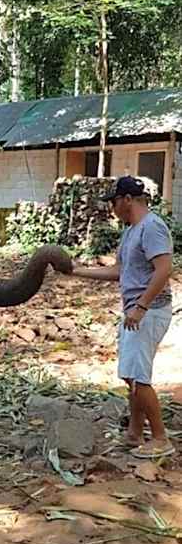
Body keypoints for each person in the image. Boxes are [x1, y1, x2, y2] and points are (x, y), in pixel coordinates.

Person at [72, 175, 174, 460]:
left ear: (127, 199)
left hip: (149, 311)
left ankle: (160, 438)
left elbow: (164, 269)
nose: (112, 208)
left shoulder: (152, 227)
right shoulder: (131, 231)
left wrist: (141, 306)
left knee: (138, 376)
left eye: (114, 202)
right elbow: (118, 271)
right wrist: (76, 271)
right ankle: (134, 433)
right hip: (135, 312)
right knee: (131, 376)